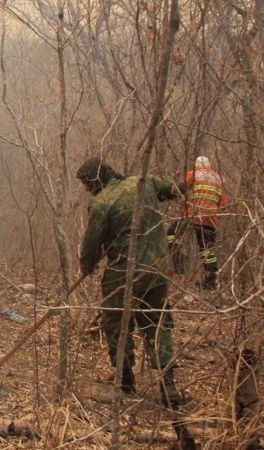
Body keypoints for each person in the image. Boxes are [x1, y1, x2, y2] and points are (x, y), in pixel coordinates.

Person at [76, 157, 194, 447]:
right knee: (157, 324)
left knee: (116, 324)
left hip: (123, 273)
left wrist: (87, 266)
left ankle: (125, 380)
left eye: (85, 185)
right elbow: (176, 190)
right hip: (157, 268)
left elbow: (91, 245)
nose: (86, 191)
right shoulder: (145, 182)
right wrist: (192, 183)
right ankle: (169, 386)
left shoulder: (102, 203)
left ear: (94, 181)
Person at [167, 156, 228, 290]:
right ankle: (211, 280)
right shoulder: (218, 179)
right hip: (210, 218)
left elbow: (176, 189)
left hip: (192, 214)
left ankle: (179, 264)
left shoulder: (194, 174)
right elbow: (223, 203)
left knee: (171, 234)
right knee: (207, 250)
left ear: (197, 165)